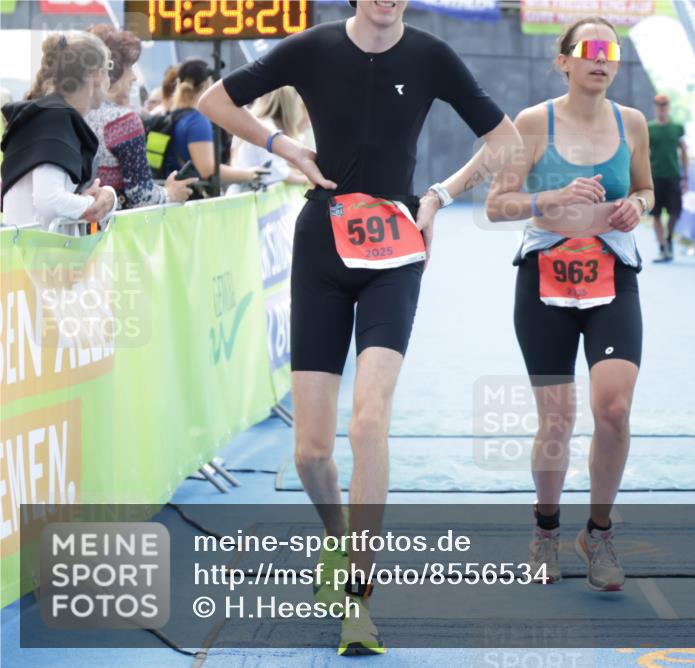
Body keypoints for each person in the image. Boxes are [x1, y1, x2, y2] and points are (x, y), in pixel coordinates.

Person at [198, 0, 520, 655]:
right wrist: (285, 146)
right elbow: (214, 101)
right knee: (311, 453)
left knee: (369, 423)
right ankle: (338, 540)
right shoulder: (313, 47)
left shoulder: (430, 55)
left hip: (396, 250)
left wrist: (439, 195)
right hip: (321, 245)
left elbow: (505, 140)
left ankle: (358, 600)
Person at [486, 16, 654, 593]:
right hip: (544, 280)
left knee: (613, 410)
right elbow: (496, 205)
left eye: (612, 51)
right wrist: (551, 197)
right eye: (590, 50)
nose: (602, 60)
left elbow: (646, 189)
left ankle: (599, 533)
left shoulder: (632, 123)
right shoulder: (535, 122)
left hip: (612, 274)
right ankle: (545, 529)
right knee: (556, 419)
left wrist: (639, 205)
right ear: (564, 61)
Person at [1, 32, 117, 230]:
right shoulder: (55, 118)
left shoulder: (49, 116)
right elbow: (49, 202)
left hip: (31, 253)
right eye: (108, 68)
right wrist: (103, 201)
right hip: (42, 256)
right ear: (96, 74)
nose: (109, 78)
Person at [84, 24, 195, 209]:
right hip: (113, 230)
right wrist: (170, 193)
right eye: (130, 68)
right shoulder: (123, 121)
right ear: (114, 70)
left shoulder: (73, 111)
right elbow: (140, 195)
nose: (134, 77)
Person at [165, 58, 263, 191]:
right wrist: (250, 173)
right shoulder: (197, 122)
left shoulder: (173, 116)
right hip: (191, 200)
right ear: (207, 84)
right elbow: (208, 169)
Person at [226, 86, 308, 195]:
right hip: (252, 200)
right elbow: (277, 172)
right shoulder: (267, 129)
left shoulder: (252, 124)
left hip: (244, 197)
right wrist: (308, 179)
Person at [648, 93, 687, 262]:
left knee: (675, 213)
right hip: (655, 177)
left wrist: (685, 176)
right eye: (658, 105)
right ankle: (662, 247)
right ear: (655, 107)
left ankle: (669, 237)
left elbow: (684, 150)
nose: (661, 108)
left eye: (664, 105)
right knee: (655, 214)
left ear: (668, 107)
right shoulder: (649, 128)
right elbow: (642, 152)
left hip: (673, 176)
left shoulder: (677, 128)